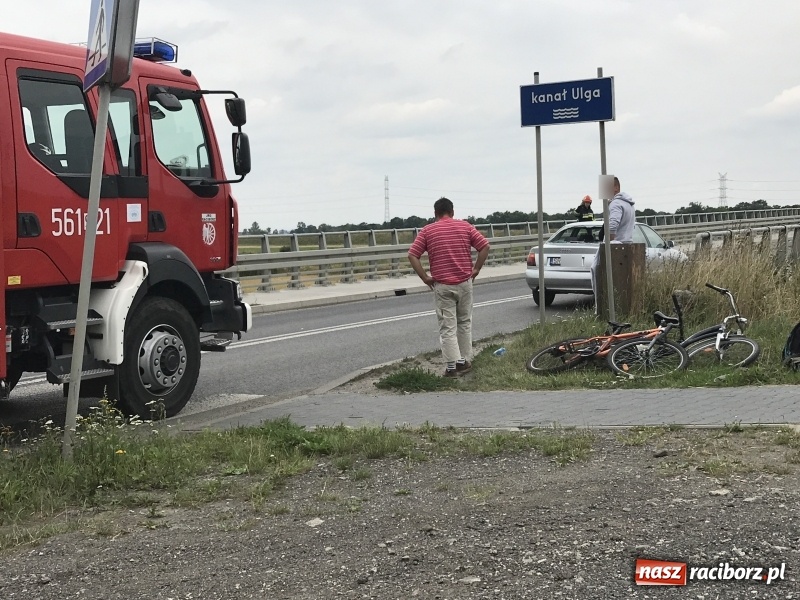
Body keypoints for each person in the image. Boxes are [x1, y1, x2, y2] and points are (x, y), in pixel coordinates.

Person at [408, 197, 490, 377]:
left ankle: (452, 367)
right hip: (464, 282)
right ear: (452, 212)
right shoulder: (465, 226)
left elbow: (413, 255)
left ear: (435, 213)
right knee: (464, 323)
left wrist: (425, 278)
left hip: (442, 285)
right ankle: (464, 361)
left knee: (447, 327)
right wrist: (476, 269)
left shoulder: (427, 231)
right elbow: (484, 246)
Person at [590, 177, 636, 306]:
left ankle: (602, 307)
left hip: (615, 247)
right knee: (622, 283)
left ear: (616, 187)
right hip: (626, 245)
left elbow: (613, 225)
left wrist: (608, 245)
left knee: (600, 276)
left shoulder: (616, 203)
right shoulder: (629, 204)